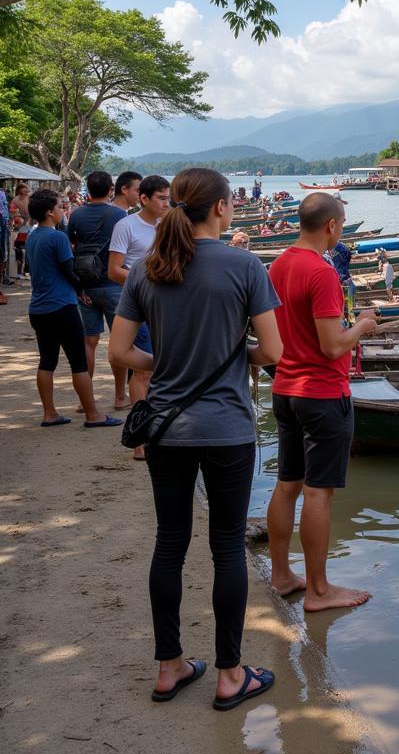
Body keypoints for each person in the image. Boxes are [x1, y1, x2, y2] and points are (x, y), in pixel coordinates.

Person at [108, 167, 283, 711]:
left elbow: (118, 354)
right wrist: (234, 357)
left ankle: (170, 667)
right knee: (227, 544)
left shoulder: (148, 269)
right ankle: (230, 675)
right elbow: (273, 353)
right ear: (223, 208)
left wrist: (164, 364)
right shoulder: (244, 264)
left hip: (165, 426)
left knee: (170, 541)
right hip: (227, 426)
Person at [265, 193, 377, 611]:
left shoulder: (278, 264)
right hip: (322, 394)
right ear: (331, 225)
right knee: (318, 494)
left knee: (287, 485)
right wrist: (362, 326)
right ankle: (319, 590)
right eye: (342, 223)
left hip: (285, 389)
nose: (342, 230)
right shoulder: (322, 272)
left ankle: (282, 574)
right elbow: (332, 347)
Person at [25, 188, 117, 427]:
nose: (62, 210)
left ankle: (49, 413)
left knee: (47, 360)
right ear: (49, 211)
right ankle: (93, 414)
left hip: (38, 307)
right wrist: (82, 290)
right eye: (59, 207)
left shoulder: (34, 235)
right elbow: (69, 271)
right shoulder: (57, 237)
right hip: (62, 306)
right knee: (78, 362)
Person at [68, 170, 131, 409]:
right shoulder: (119, 215)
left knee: (88, 342)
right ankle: (119, 397)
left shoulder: (76, 214)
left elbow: (72, 246)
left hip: (86, 286)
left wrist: (79, 287)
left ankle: (86, 400)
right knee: (119, 343)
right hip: (114, 284)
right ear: (110, 189)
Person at [109, 175, 170, 409]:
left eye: (169, 199)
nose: (166, 204)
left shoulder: (169, 225)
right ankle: (140, 439)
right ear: (143, 198)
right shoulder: (126, 226)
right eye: (161, 199)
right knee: (143, 371)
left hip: (167, 304)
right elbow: (114, 271)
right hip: (141, 304)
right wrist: (149, 281)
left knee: (164, 366)